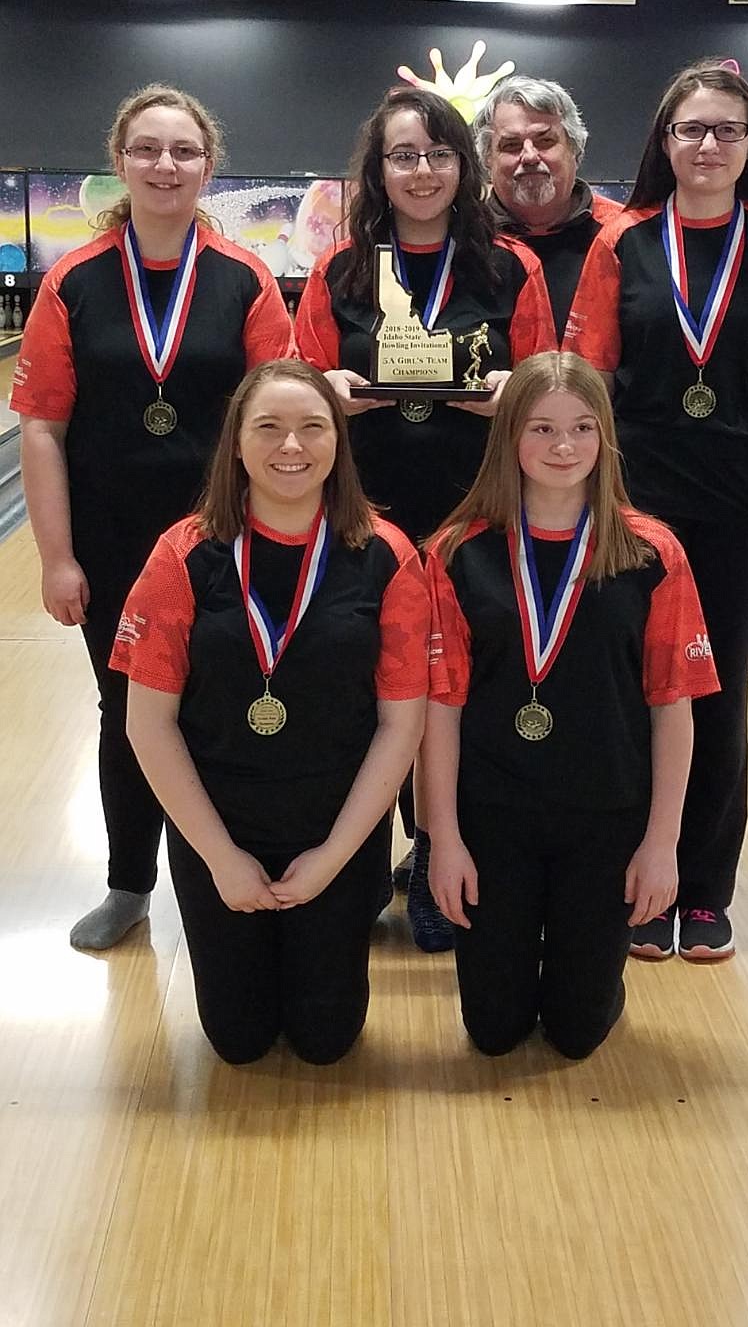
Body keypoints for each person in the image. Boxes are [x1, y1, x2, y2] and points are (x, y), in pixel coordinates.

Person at [12, 83, 294, 951]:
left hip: (224, 542)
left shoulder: (243, 277)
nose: (164, 165)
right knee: (127, 711)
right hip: (114, 542)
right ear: (120, 162)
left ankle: (250, 874)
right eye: (147, 149)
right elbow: (43, 430)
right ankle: (129, 882)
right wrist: (59, 559)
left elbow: (280, 417)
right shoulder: (74, 281)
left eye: (182, 151)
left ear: (208, 166)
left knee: (243, 705)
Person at [295, 86, 556, 951]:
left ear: (463, 166)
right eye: (403, 155)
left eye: (439, 154)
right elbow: (294, 395)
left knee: (463, 701)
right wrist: (325, 395)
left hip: (479, 518)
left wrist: (514, 397)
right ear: (378, 168)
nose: (421, 172)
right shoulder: (339, 273)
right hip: (365, 521)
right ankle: (364, 865)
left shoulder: (508, 267)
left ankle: (444, 856)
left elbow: (550, 388)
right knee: (367, 696)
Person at [109, 361, 429, 1064]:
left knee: (326, 1041)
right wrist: (221, 859)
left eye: (313, 427)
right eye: (270, 428)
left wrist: (332, 860)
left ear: (339, 444)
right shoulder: (182, 554)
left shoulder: (387, 556)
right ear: (237, 443)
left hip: (336, 823)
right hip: (217, 823)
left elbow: (402, 725)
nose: (292, 446)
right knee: (238, 1041)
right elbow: (147, 723)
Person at [581, 60, 748, 961]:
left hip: (740, 504)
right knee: (634, 693)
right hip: (639, 498)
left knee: (717, 693)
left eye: (728, 130)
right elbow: (595, 376)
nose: (710, 145)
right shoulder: (625, 242)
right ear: (666, 143)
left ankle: (707, 889)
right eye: (693, 130)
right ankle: (643, 881)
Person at [422, 352, 719, 1058]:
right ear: (509, 438)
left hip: (606, 816)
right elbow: (440, 711)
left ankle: (589, 980)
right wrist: (442, 839)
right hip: (494, 817)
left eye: (583, 428)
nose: (563, 446)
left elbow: (673, 707)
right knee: (493, 1032)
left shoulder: (652, 553)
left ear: (605, 439)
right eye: (542, 428)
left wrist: (662, 843)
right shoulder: (457, 553)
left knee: (578, 1033)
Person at [474, 76, 621, 348]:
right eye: (511, 145)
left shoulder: (625, 235)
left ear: (574, 149)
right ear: (487, 159)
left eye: (545, 141)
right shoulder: (465, 240)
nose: (529, 156)